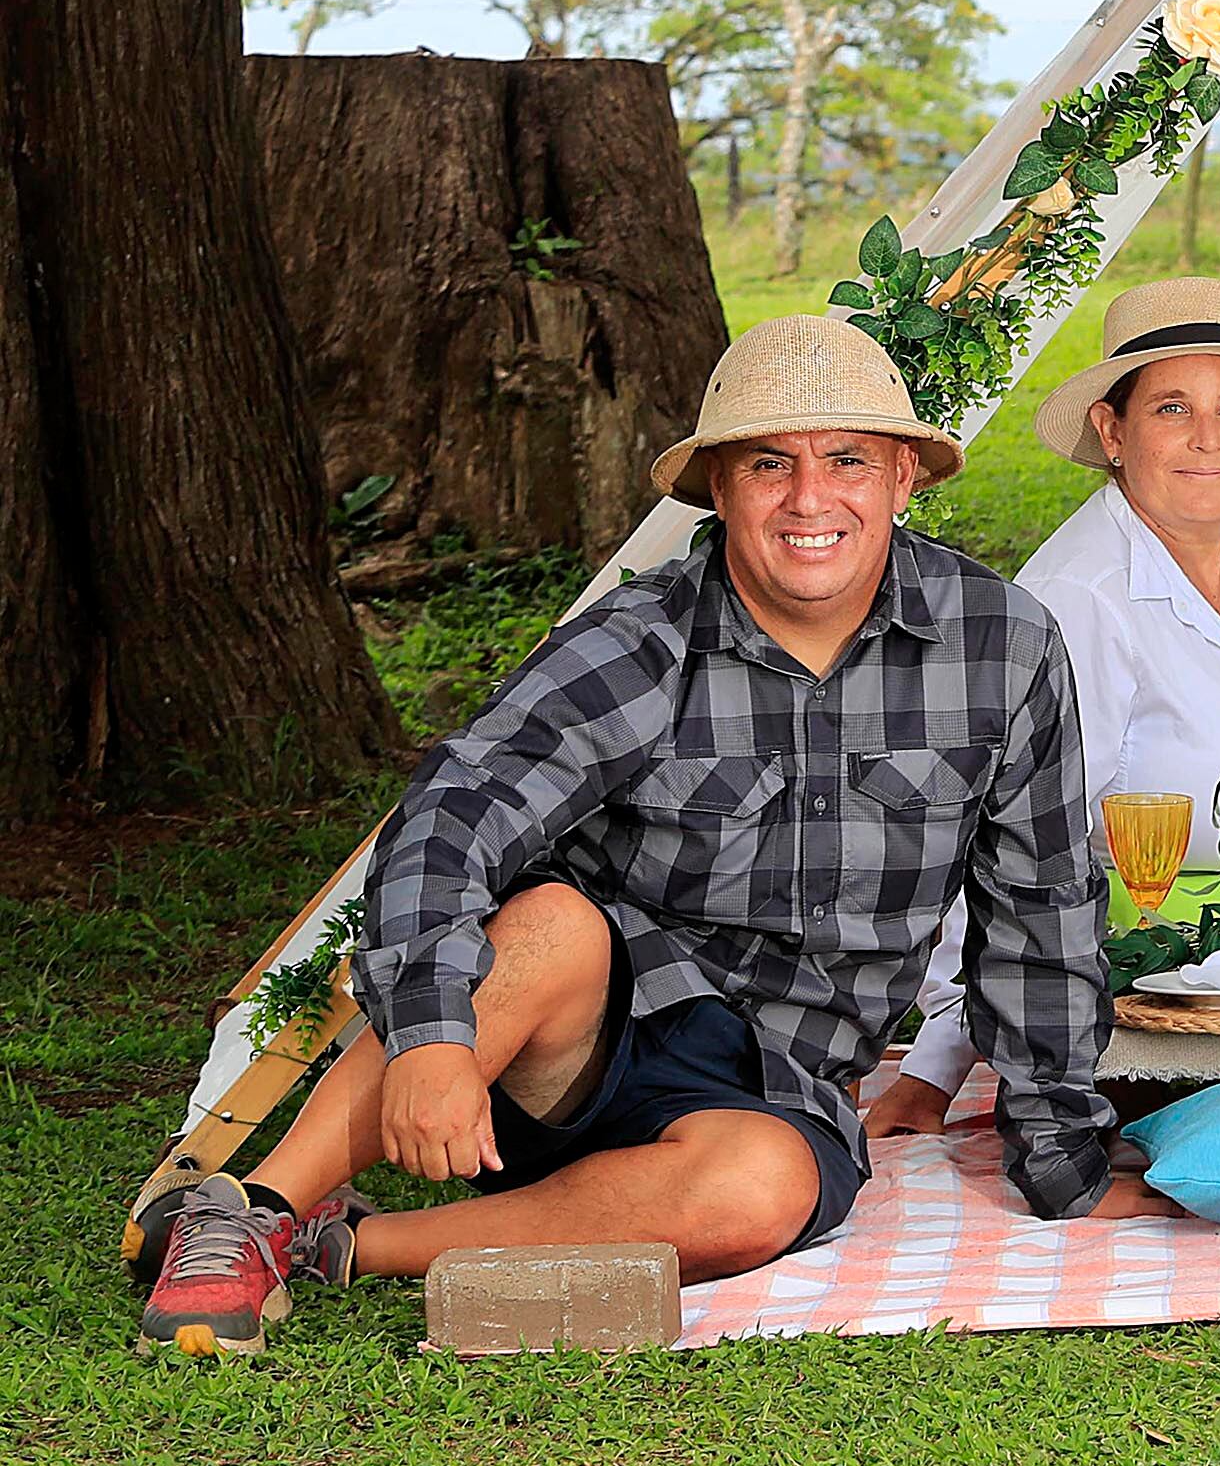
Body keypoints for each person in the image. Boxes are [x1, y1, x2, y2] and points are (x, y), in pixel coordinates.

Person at [137, 317, 1138, 1359]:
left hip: (783, 1081)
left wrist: (1063, 1160)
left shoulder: (1000, 643)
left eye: (846, 460)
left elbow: (1040, 908)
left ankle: (338, 1243)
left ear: (902, 478)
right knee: (553, 923)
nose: (809, 499)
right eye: (768, 464)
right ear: (719, 488)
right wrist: (433, 1036)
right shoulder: (641, 639)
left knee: (761, 1193)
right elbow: (452, 813)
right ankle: (247, 1208)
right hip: (587, 1038)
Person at [870, 277, 1220, 1137]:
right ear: (1112, 431)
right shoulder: (1081, 596)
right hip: (1148, 1009)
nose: (1207, 437)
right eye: (1172, 408)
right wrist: (942, 1056)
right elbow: (998, 836)